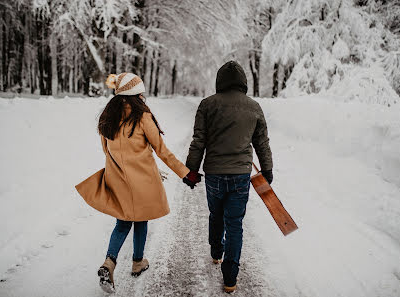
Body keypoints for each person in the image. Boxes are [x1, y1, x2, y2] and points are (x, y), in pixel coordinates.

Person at [75, 72, 201, 293]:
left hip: (117, 178)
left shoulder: (108, 116)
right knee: (141, 219)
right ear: (137, 93)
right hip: (142, 180)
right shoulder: (143, 116)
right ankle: (137, 261)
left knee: (122, 222)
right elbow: (162, 151)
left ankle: (109, 262)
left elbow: (106, 150)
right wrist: (185, 173)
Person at [185, 61, 273, 293]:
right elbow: (261, 142)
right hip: (240, 175)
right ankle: (230, 279)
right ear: (243, 82)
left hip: (214, 173)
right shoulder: (254, 107)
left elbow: (199, 141)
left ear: (220, 82)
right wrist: (267, 169)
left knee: (216, 214)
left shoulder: (207, 105)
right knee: (235, 223)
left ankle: (216, 252)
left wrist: (191, 170)